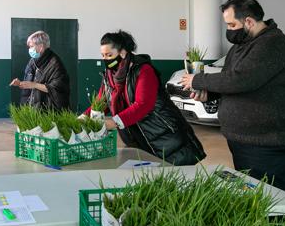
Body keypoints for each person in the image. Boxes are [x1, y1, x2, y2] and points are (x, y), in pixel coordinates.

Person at [179, 0, 285, 226]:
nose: (229, 31)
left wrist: (199, 80)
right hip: (249, 141)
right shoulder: (242, 47)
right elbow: (232, 80)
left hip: (274, 142)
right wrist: (210, 92)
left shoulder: (273, 44)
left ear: (248, 21)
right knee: (256, 200)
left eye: (231, 25)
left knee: (277, 204)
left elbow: (242, 79)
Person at [85, 30, 206, 166]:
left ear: (123, 52)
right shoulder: (109, 76)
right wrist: (83, 118)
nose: (105, 60)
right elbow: (101, 102)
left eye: (109, 55)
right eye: (103, 55)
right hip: (138, 139)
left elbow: (143, 105)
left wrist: (114, 122)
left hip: (165, 137)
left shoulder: (143, 70)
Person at [10, 31, 70, 110]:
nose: (29, 49)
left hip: (49, 111)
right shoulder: (32, 61)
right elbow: (30, 83)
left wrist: (34, 85)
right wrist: (20, 83)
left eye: (31, 46)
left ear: (41, 47)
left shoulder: (55, 63)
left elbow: (57, 88)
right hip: (32, 109)